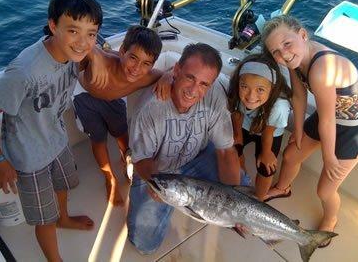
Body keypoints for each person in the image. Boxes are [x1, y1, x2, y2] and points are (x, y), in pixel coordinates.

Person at [0, 0, 105, 262]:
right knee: (43, 219)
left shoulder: (75, 53)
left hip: (56, 140)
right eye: (73, 31)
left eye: (90, 33)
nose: (82, 42)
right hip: (28, 156)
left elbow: (90, 48)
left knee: (64, 185)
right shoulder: (25, 71)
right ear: (53, 25)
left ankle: (64, 218)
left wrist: (97, 56)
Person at [261, 15, 358, 246]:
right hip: (328, 115)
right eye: (276, 52)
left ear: (303, 35)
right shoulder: (295, 61)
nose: (283, 54)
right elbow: (299, 97)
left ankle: (331, 220)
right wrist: (298, 131)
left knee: (325, 191)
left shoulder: (322, 68)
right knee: (290, 155)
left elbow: (327, 121)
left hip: (354, 127)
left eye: (287, 44)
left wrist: (329, 158)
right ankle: (282, 187)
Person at [127, 43, 240, 254]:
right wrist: (160, 189)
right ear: (176, 70)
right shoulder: (151, 108)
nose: (194, 90)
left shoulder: (215, 96)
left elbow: (225, 152)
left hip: (197, 158)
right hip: (159, 171)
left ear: (212, 84)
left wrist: (234, 205)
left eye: (204, 84)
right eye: (190, 77)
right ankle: (169, 205)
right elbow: (142, 160)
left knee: (243, 188)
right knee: (144, 244)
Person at [73, 25, 163, 206]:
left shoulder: (146, 77)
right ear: (122, 51)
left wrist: (166, 78)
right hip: (84, 97)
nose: (137, 68)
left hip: (113, 98)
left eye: (146, 63)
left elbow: (168, 74)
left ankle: (128, 162)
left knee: (122, 133)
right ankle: (110, 180)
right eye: (133, 58)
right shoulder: (103, 61)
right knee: (99, 140)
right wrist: (95, 56)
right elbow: (82, 42)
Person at [227, 54, 292, 200]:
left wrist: (266, 153)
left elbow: (268, 132)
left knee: (266, 168)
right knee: (233, 152)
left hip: (269, 132)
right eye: (244, 87)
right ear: (239, 83)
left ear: (273, 88)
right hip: (245, 125)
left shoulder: (280, 106)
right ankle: (242, 185)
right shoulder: (236, 93)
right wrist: (237, 146)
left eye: (260, 90)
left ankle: (259, 199)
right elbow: (237, 115)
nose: (250, 96)